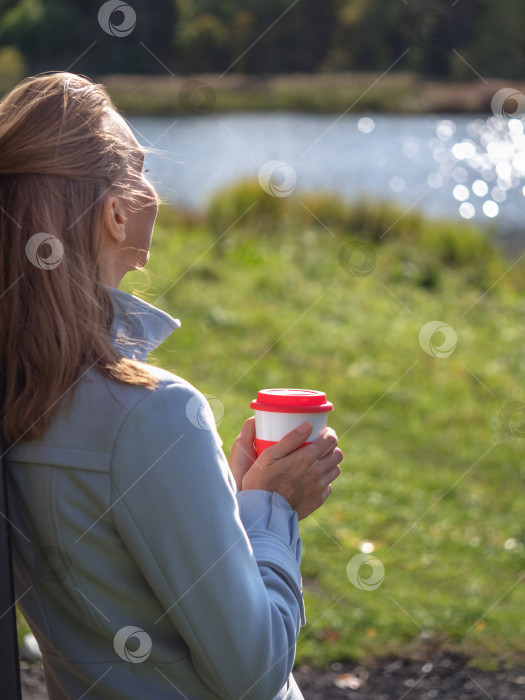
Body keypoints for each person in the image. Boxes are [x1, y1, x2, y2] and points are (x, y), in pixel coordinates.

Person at [0, 72, 343, 700]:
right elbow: (255, 672)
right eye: (140, 167)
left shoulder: (17, 394)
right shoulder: (151, 415)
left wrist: (228, 499)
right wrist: (274, 511)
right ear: (116, 212)